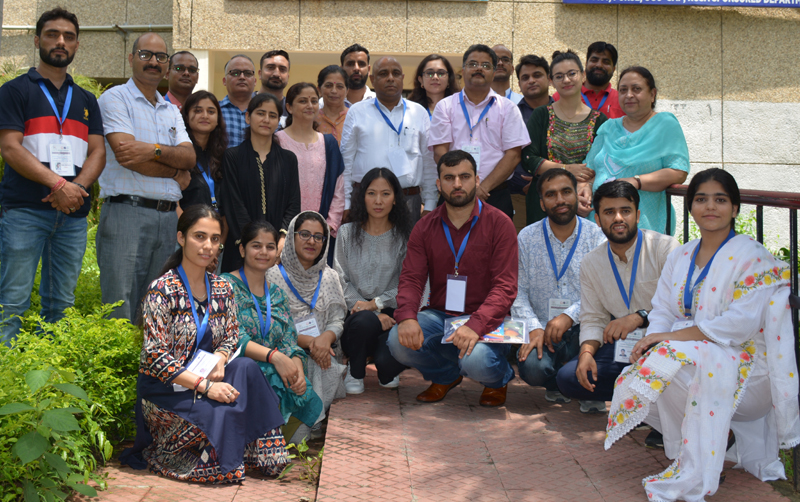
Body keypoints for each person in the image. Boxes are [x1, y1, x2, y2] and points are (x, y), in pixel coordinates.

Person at [605, 169, 800, 501]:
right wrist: (655, 339)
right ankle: (709, 442)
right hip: (697, 357)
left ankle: (706, 454)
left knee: (673, 362)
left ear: (735, 208)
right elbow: (663, 309)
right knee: (638, 377)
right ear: (692, 207)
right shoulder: (681, 255)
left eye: (720, 200)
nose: (711, 207)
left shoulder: (751, 257)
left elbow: (738, 326)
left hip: (750, 371)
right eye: (701, 199)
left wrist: (667, 341)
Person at [120, 205, 288, 483]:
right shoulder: (161, 290)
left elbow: (231, 336)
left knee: (246, 368)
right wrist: (206, 386)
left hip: (208, 374)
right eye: (199, 237)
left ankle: (265, 454)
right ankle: (211, 459)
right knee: (223, 408)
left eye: (214, 239)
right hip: (166, 391)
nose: (208, 246)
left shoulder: (222, 288)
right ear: (181, 238)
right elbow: (155, 357)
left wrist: (221, 360)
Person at [0, 7, 105, 344]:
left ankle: (51, 375)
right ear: (37, 40)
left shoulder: (87, 98)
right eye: (52, 34)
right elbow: (10, 147)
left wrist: (76, 189)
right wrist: (58, 184)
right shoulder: (15, 91)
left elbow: (98, 152)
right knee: (12, 303)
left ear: (76, 45)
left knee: (61, 305)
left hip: (72, 217)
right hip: (25, 211)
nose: (61, 41)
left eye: (69, 37)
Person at [388, 150, 518, 407]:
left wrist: (476, 325)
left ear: (477, 180)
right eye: (449, 177)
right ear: (438, 184)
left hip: (490, 319)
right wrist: (406, 317)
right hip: (442, 316)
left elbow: (505, 286)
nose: (457, 184)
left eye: (464, 177)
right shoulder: (424, 227)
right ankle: (446, 376)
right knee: (397, 340)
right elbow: (412, 279)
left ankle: (498, 380)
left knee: (476, 360)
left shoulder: (500, 223)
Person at [555, 180, 679, 413]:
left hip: (664, 344)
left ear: (638, 215)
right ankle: (644, 396)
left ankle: (653, 404)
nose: (618, 218)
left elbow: (679, 309)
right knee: (569, 379)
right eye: (609, 212)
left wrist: (639, 317)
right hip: (625, 349)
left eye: (625, 211)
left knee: (667, 369)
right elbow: (593, 318)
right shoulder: (592, 263)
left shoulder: (665, 249)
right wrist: (586, 353)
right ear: (598, 219)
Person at [96, 32, 195, 321]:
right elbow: (127, 156)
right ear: (131, 58)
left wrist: (149, 150)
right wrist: (174, 168)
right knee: (119, 304)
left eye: (160, 57)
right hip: (127, 212)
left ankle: (149, 367)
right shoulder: (115, 98)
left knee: (157, 308)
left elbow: (190, 157)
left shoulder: (171, 110)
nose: (153, 62)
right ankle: (119, 366)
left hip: (167, 220)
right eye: (145, 55)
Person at [221, 221, 323, 444]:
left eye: (270, 247)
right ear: (242, 249)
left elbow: (289, 339)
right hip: (241, 369)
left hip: (278, 368)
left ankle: (267, 443)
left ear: (277, 252)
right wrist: (275, 358)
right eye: (256, 246)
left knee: (304, 409)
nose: (263, 252)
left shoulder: (277, 294)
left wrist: (296, 370)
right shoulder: (225, 286)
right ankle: (256, 443)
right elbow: (232, 337)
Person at [512, 169, 606, 403]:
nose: (560, 200)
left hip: (585, 326)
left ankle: (579, 381)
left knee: (594, 345)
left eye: (566, 192)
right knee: (532, 368)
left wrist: (568, 316)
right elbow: (517, 291)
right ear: (542, 203)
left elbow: (603, 290)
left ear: (577, 195)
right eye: (551, 195)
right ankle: (559, 383)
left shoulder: (597, 237)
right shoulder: (526, 237)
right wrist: (533, 327)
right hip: (542, 330)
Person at [430, 44, 530, 221]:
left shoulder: (507, 108)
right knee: (448, 246)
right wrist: (463, 186)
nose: (478, 69)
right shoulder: (444, 106)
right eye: (473, 64)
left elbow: (513, 155)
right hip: (454, 194)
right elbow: (440, 153)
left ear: (493, 72)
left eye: (485, 66)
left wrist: (481, 188)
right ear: (463, 69)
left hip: (495, 195)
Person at [585, 66, 690, 235]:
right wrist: (584, 186)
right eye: (623, 90)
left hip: (644, 223)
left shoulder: (664, 125)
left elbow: (678, 171)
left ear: (652, 94)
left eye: (637, 89)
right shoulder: (609, 128)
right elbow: (588, 169)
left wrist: (636, 181)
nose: (629, 95)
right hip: (601, 224)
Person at [335, 168, 413, 394]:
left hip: (392, 313)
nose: (378, 201)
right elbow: (340, 280)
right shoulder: (346, 233)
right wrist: (369, 310)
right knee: (364, 322)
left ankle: (385, 366)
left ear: (396, 198)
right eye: (371, 193)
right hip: (355, 314)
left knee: (388, 371)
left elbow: (409, 284)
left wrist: (377, 305)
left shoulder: (404, 237)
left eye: (386, 194)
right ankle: (355, 371)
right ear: (362, 197)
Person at [267, 211, 348, 425]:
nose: (311, 241)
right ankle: (302, 426)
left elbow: (338, 319)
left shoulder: (330, 276)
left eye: (318, 236)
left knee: (322, 361)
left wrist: (325, 338)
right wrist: (311, 343)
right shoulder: (272, 275)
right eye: (304, 234)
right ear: (292, 236)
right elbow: (273, 325)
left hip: (324, 349)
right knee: (307, 361)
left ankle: (308, 424)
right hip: (286, 348)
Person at [341, 56, 436, 225]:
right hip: (365, 201)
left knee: (406, 252)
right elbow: (346, 161)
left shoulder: (418, 112)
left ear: (402, 78)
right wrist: (346, 203)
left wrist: (430, 203)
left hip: (408, 200)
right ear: (372, 79)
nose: (390, 78)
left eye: (396, 73)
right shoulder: (356, 112)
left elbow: (429, 161)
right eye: (383, 73)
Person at [522, 50, 608, 227]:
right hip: (544, 202)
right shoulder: (541, 115)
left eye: (572, 74)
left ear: (583, 75)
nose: (566, 80)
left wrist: (585, 190)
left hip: (584, 201)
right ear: (552, 81)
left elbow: (602, 163)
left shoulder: (600, 120)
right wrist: (566, 169)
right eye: (559, 76)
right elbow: (529, 158)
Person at [218, 93, 301, 272]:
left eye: (272, 116)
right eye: (260, 113)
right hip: (241, 247)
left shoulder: (289, 159)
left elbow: (293, 204)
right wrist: (251, 243)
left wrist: (281, 241)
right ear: (248, 117)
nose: (266, 119)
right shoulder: (233, 156)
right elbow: (233, 203)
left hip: (277, 251)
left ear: (279, 121)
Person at [275, 83, 345, 245]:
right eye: (303, 101)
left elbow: (339, 186)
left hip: (321, 232)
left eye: (314, 101)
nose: (309, 105)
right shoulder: (277, 141)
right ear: (289, 107)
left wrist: (329, 225)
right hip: (285, 230)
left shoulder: (328, 142)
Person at [509, 54, 552, 232]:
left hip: (556, 195)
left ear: (549, 79)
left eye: (537, 75)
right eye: (525, 78)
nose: (531, 81)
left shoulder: (563, 113)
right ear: (519, 84)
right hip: (517, 196)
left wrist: (537, 182)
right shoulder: (510, 114)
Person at [178, 91, 227, 214]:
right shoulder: (178, 153)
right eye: (198, 111)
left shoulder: (223, 155)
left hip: (217, 228)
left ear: (217, 120)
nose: (205, 116)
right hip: (186, 227)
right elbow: (173, 202)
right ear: (187, 118)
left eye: (211, 112)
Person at [554, 42, 624, 119]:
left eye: (606, 62)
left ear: (613, 69)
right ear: (586, 64)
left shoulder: (622, 100)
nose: (599, 65)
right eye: (594, 60)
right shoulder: (560, 97)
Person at [219, 54, 257, 148]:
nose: (242, 77)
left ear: (255, 81)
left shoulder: (266, 113)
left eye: (248, 73)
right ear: (224, 81)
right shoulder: (214, 111)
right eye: (235, 73)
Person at [317, 65, 348, 144]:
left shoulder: (354, 118)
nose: (334, 91)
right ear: (319, 90)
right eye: (328, 86)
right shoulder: (312, 119)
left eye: (340, 86)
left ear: (347, 91)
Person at [258, 50, 291, 124]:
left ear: (288, 77)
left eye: (282, 69)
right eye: (270, 67)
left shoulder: (292, 109)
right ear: (260, 74)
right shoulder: (246, 103)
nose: (276, 74)